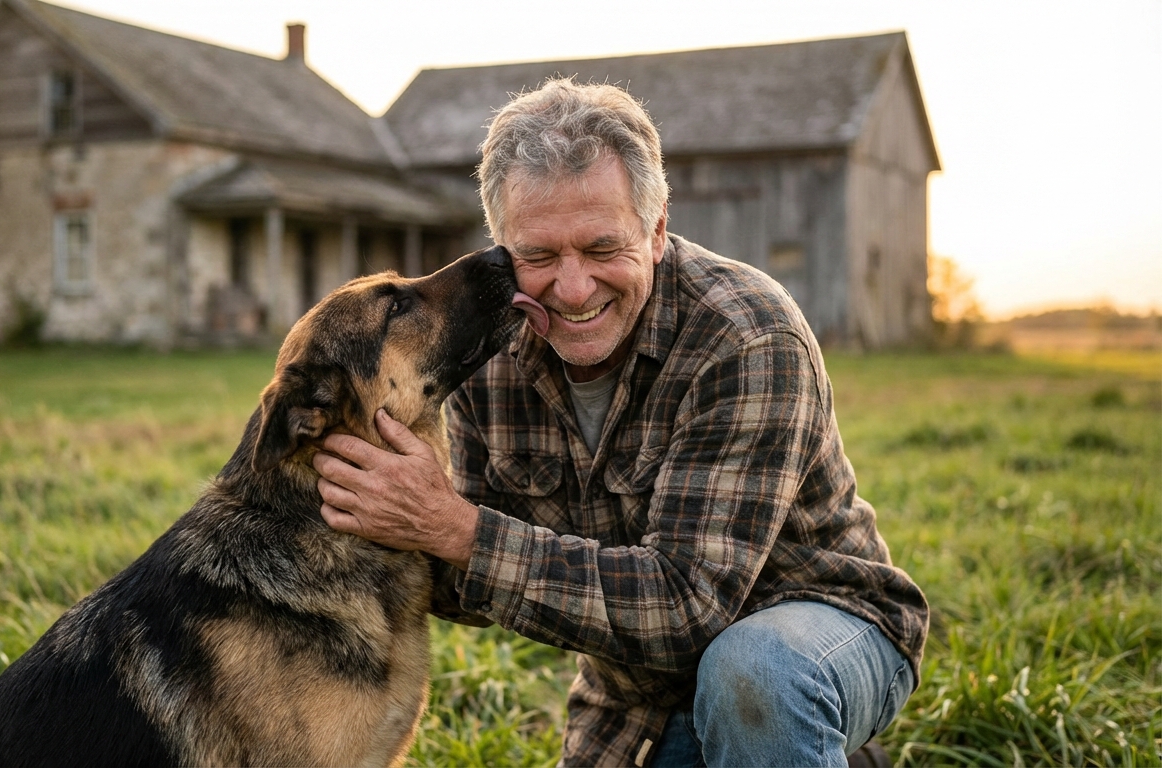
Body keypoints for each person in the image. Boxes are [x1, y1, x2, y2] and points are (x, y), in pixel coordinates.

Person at [311, 79, 928, 768]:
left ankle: (798, 734)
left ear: (657, 230)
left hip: (817, 632)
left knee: (755, 676)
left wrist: (452, 528)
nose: (572, 289)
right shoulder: (488, 356)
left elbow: (689, 606)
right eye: (539, 256)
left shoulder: (747, 336)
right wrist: (376, 517)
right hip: (633, 691)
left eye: (603, 249)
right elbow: (470, 577)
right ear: (502, 245)